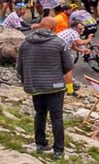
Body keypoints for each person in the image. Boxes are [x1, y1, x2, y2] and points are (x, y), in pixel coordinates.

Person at [17, 16, 75, 159]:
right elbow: (68, 66)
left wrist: (27, 81)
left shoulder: (25, 43)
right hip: (55, 86)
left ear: (39, 26)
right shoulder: (59, 43)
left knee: (40, 113)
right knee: (56, 117)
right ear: (54, 27)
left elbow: (19, 67)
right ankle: (58, 150)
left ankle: (40, 143)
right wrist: (68, 86)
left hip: (35, 85)